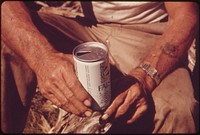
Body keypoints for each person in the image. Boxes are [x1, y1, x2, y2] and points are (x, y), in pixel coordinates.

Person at [1, 1, 199, 133]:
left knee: (178, 109)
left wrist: (145, 78)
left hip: (151, 33)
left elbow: (185, 14)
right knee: (10, 41)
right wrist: (42, 58)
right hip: (90, 27)